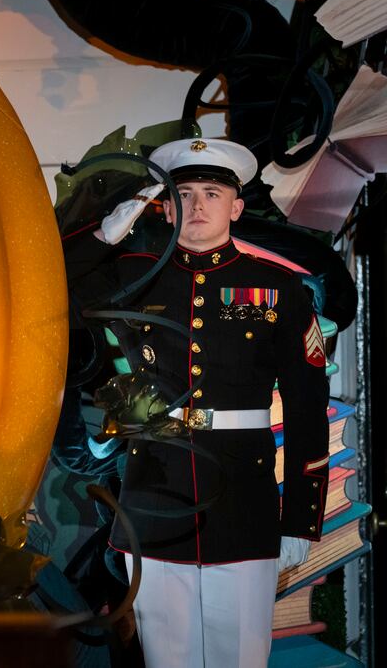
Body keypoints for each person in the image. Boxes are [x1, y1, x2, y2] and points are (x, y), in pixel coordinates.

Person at [63, 137, 330, 667]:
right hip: (156, 494)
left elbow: (306, 408)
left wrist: (302, 517)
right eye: (183, 194)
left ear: (236, 206)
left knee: (240, 656)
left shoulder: (277, 288)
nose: (198, 206)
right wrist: (104, 235)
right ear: (164, 205)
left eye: (212, 192)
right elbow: (50, 280)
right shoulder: (133, 275)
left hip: (242, 497)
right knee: (167, 656)